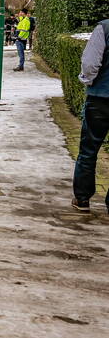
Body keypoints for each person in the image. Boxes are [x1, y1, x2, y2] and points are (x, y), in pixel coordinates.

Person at [71, 21, 109, 213]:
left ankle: (83, 198)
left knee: (88, 149)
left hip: (101, 98)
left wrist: (88, 80)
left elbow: (90, 63)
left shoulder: (104, 28)